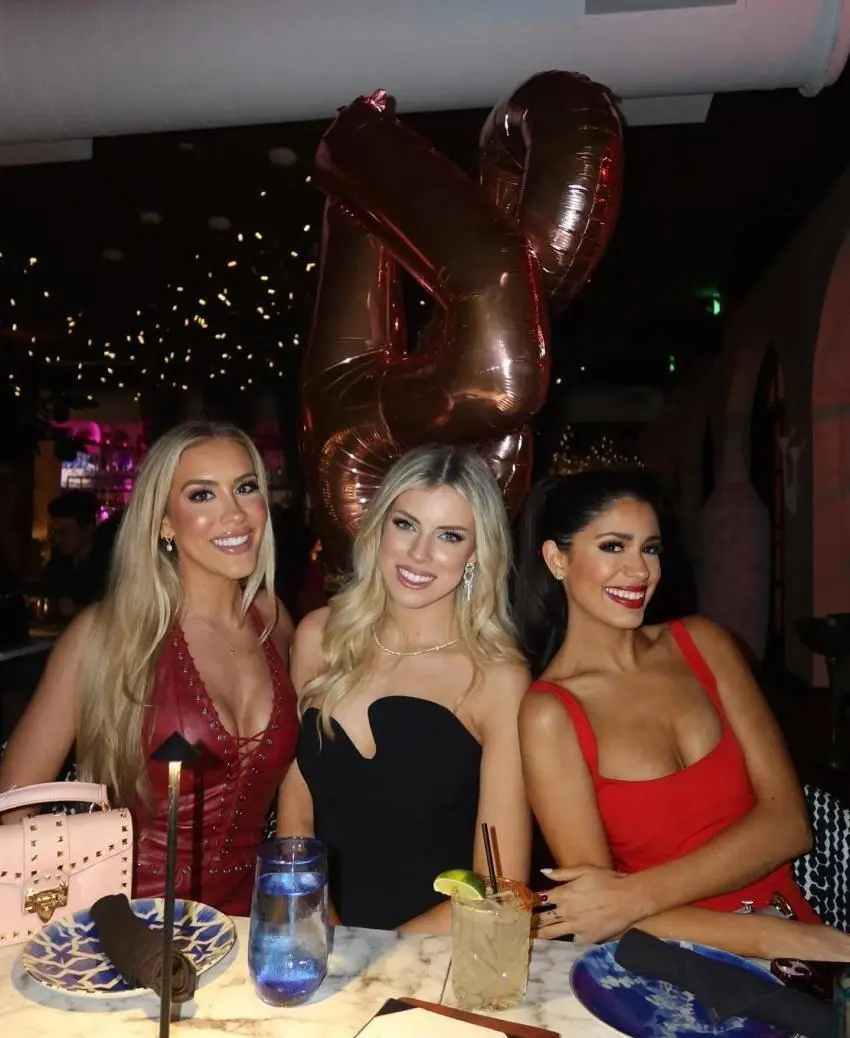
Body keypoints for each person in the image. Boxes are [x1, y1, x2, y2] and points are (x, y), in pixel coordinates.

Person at [515, 470, 850, 961]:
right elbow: (599, 912)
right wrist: (775, 938)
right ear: (556, 559)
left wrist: (635, 894)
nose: (639, 571)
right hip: (680, 957)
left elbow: (789, 823)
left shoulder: (704, 644)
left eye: (650, 549)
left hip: (795, 925)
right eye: (613, 547)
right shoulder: (550, 713)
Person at [0, 421, 299, 916]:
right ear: (164, 523)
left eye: (246, 488)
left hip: (253, 926)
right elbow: (12, 806)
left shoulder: (275, 621)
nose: (234, 513)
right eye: (202, 495)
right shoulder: (105, 635)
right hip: (129, 926)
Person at [279, 445, 531, 933]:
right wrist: (321, 929)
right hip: (317, 937)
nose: (419, 553)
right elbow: (296, 809)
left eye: (449, 536)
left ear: (477, 552)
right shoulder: (320, 638)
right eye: (406, 524)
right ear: (379, 527)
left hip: (437, 953)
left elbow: (499, 883)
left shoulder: (498, 678)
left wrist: (374, 955)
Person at [41, 490, 110, 619]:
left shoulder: (108, 569)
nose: (58, 540)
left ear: (88, 529)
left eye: (65, 532)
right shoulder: (56, 567)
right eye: (55, 532)